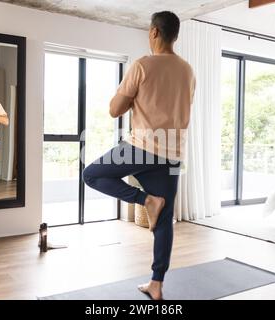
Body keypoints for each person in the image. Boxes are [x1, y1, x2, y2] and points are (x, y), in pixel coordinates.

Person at [82, 11, 196, 300]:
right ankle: (156, 283)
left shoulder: (142, 65)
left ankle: (145, 200)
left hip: (142, 147)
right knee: (165, 218)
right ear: (175, 35)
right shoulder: (188, 71)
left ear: (154, 32)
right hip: (173, 154)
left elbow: (114, 110)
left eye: (149, 31)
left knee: (91, 174)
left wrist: (131, 97)